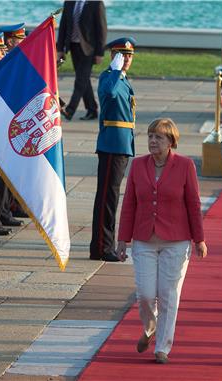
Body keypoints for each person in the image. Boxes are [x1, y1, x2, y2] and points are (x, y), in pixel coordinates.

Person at [116, 118, 207, 364]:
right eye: (150, 136)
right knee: (145, 295)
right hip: (144, 239)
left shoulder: (186, 166)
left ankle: (162, 347)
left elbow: (193, 204)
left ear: (171, 142)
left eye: (159, 137)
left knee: (168, 295)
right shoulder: (137, 165)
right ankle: (150, 326)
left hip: (176, 241)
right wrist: (122, 239)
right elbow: (129, 204)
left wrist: (199, 239)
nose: (153, 141)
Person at [89, 37, 135, 262]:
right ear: (113, 57)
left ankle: (103, 244)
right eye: (122, 55)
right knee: (107, 198)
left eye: (129, 55)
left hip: (121, 145)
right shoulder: (109, 77)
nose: (126, 59)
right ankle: (101, 247)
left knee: (111, 197)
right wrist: (115, 71)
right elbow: (110, 94)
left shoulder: (122, 79)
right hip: (111, 145)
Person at [56, 0, 107, 121]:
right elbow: (63, 26)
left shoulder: (96, 3)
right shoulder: (69, 3)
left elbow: (102, 29)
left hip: (89, 49)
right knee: (84, 79)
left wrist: (100, 52)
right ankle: (92, 109)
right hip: (73, 46)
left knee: (80, 80)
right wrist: (60, 49)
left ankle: (70, 110)